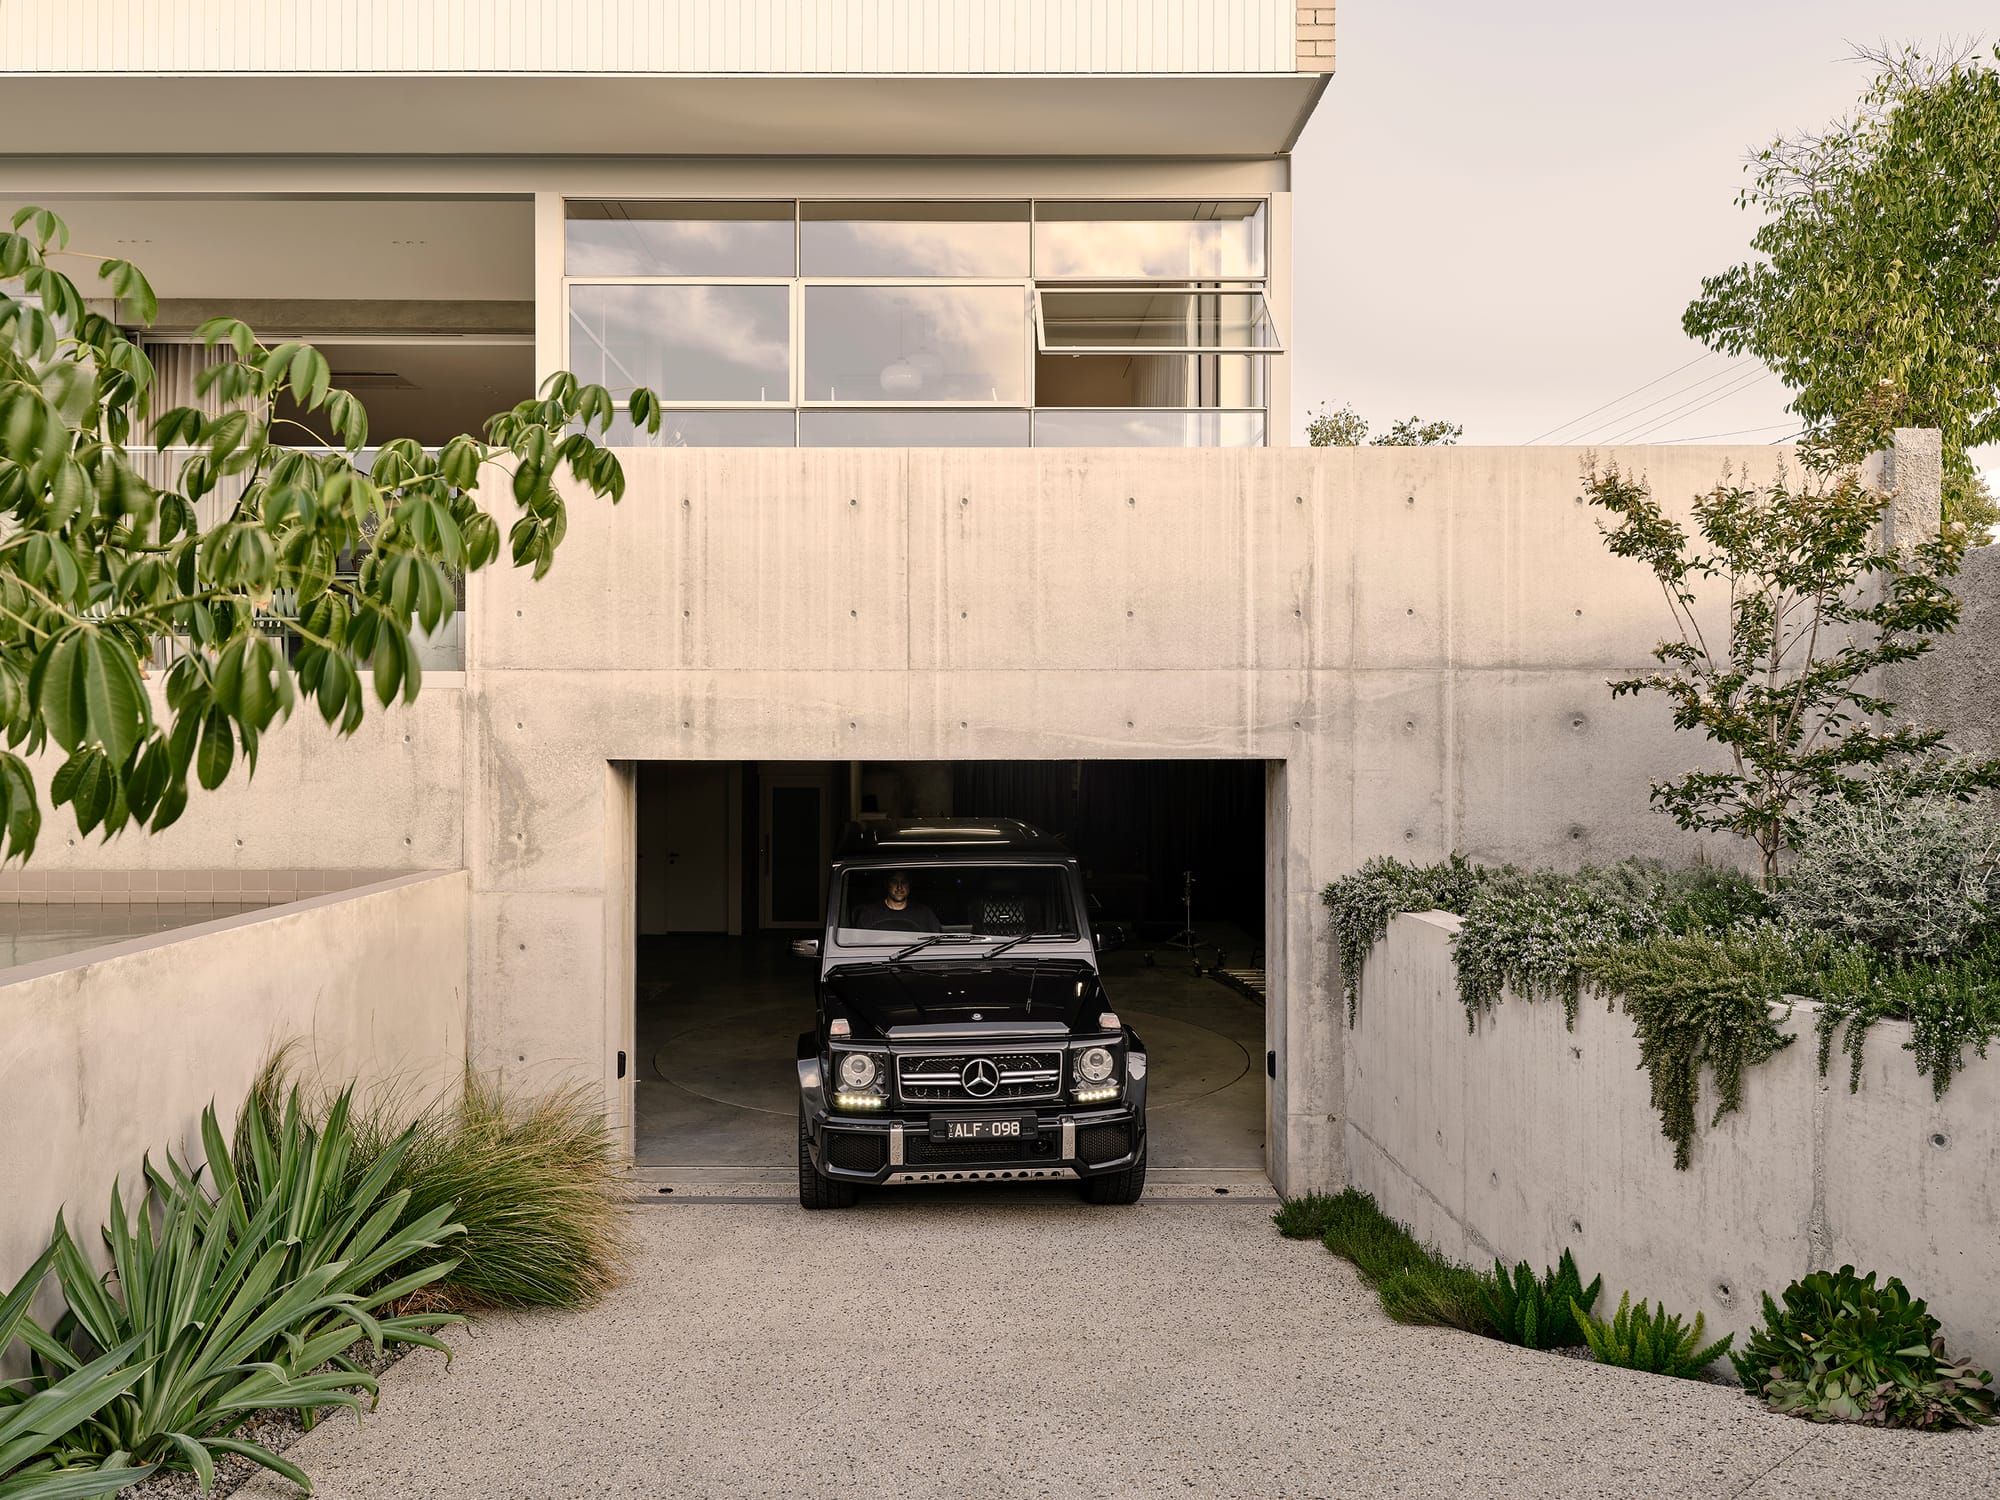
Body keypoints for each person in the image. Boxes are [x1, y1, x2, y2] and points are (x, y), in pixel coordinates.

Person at [852, 870, 941, 932]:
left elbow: (936, 944)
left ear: (909, 885)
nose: (899, 887)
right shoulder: (869, 913)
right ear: (887, 884)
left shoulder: (925, 914)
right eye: (894, 882)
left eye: (904, 882)